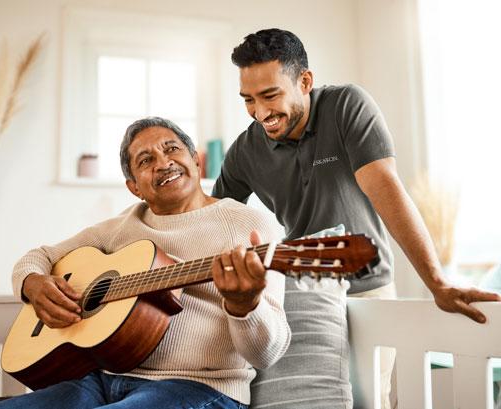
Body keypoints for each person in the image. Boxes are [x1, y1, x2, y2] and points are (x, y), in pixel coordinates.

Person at [212, 28, 501, 409]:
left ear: (305, 81)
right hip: (305, 296)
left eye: (270, 95)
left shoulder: (346, 106)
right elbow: (212, 217)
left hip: (368, 288)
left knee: (376, 400)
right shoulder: (245, 150)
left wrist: (436, 281)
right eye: (248, 100)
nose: (260, 112)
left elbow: (385, 189)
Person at [0, 117, 291, 409]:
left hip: (200, 388)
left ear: (195, 160)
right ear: (134, 186)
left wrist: (244, 305)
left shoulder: (249, 226)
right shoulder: (121, 227)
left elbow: (267, 354)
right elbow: (36, 258)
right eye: (145, 160)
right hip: (100, 381)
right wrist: (33, 284)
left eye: (172, 149)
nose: (163, 163)